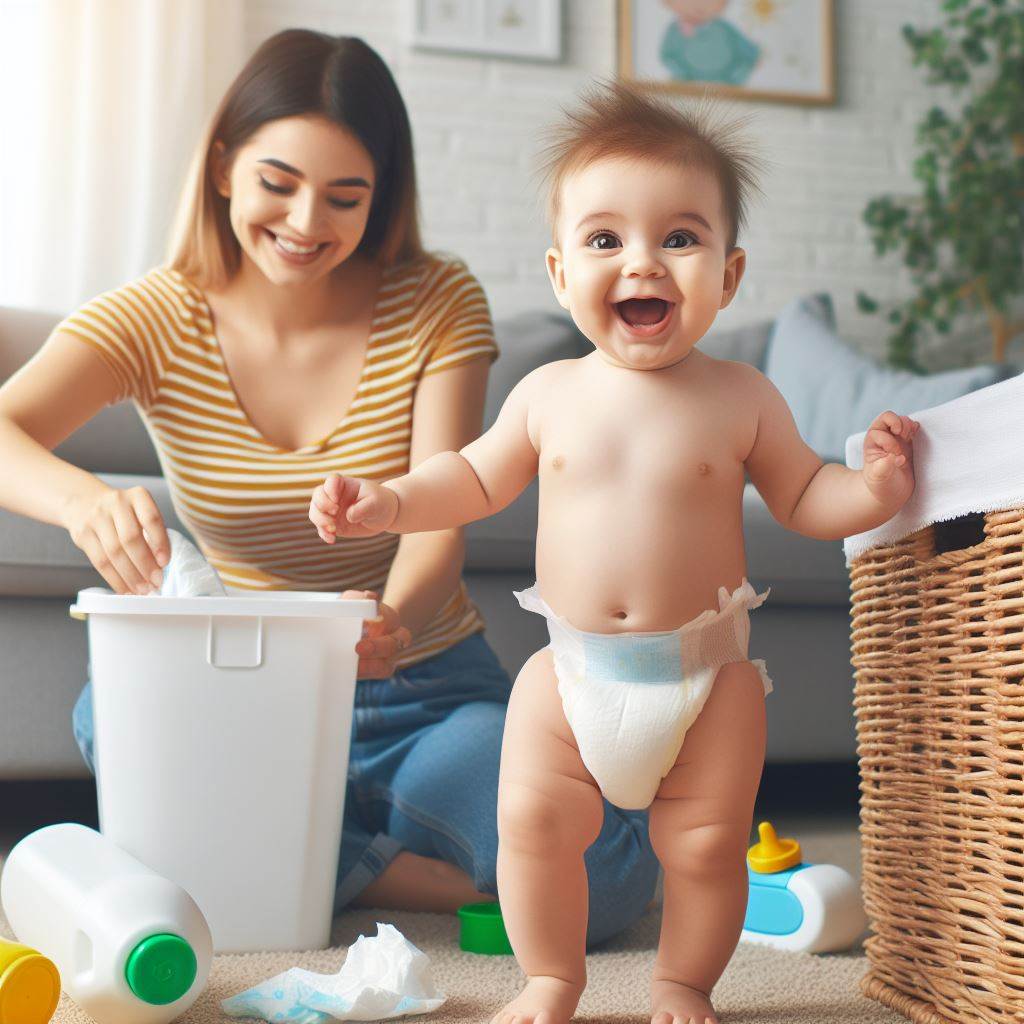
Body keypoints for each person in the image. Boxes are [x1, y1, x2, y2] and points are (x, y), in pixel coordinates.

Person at [0, 34, 658, 936]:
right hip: (240, 694)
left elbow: (440, 516)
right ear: (225, 166)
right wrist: (84, 502)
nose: (307, 223)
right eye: (279, 183)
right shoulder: (154, 316)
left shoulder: (436, 299)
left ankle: (332, 847)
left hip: (414, 686)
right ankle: (383, 869)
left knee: (609, 884)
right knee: (105, 713)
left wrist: (389, 622)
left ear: (380, 195)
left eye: (345, 196)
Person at [308, 83, 921, 1024]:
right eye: (606, 240)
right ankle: (551, 978)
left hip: (707, 680)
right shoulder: (547, 392)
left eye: (680, 238)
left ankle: (682, 983)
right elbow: (470, 480)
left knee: (706, 847)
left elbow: (803, 495)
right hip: (573, 677)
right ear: (560, 274)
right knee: (531, 826)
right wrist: (390, 502)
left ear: (730, 272)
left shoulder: (743, 396)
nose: (644, 262)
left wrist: (872, 487)